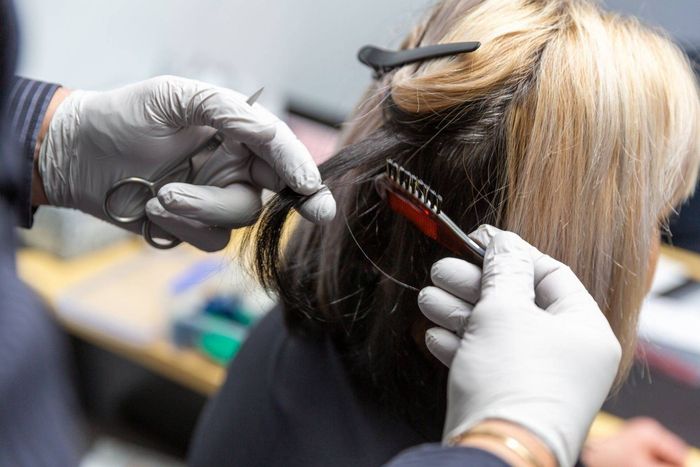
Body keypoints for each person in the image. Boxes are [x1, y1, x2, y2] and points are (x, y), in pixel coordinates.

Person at [187, 0, 700, 466]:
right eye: (658, 219)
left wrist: (569, 450)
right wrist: (527, 440)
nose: (655, 250)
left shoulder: (298, 346)